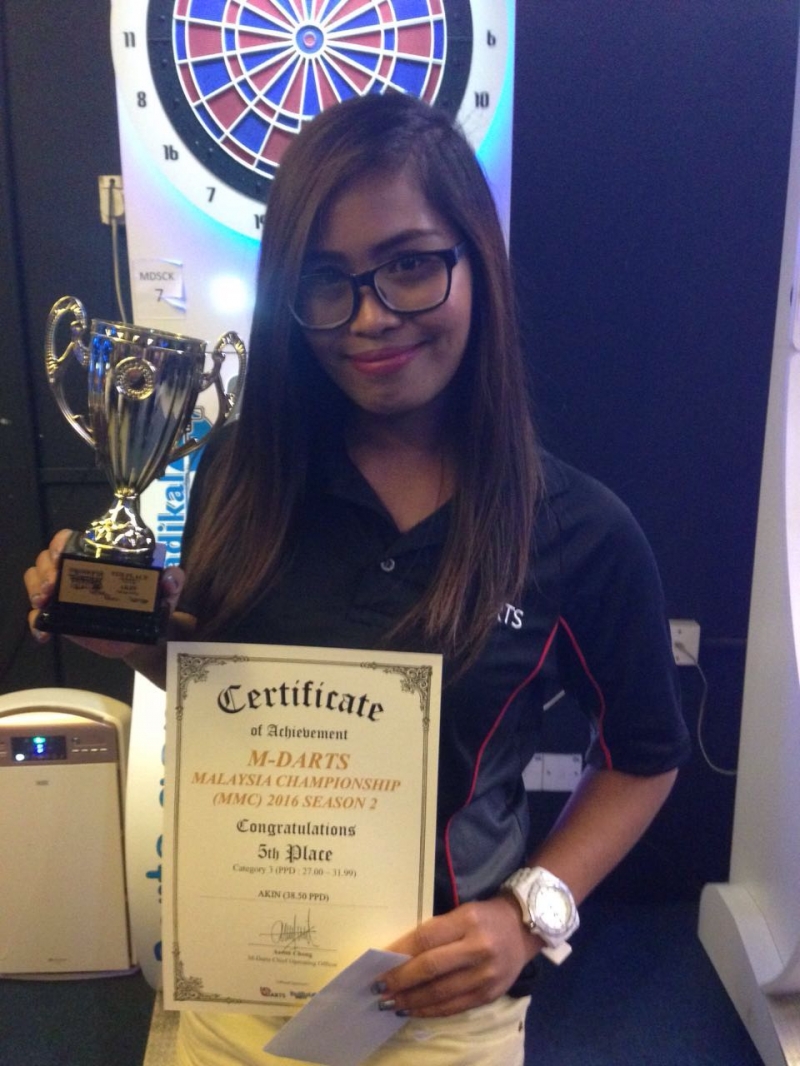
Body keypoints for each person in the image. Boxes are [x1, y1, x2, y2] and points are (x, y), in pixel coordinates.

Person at [25, 91, 690, 1066]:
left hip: (441, 1009)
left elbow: (645, 757)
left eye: (410, 264)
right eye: (325, 280)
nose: (369, 318)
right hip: (234, 992)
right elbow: (235, 698)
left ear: (477, 259)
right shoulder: (238, 471)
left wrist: (527, 913)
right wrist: (134, 641)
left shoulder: (578, 530)